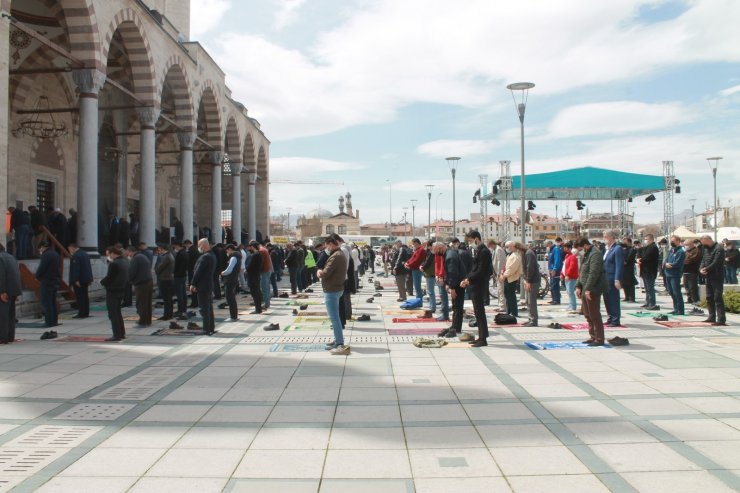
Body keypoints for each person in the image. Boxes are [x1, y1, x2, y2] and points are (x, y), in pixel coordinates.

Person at [318, 235, 350, 355]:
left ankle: (339, 342)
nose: (327, 248)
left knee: (334, 318)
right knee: (335, 317)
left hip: (332, 289)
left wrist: (319, 272)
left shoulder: (335, 256)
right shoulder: (340, 254)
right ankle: (337, 340)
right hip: (336, 288)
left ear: (331, 244)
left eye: (327, 246)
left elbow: (325, 273)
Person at [460, 231, 492, 346]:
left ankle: (483, 339)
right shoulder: (479, 250)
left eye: (470, 241)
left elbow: (481, 270)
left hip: (479, 285)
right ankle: (481, 336)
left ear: (476, 239)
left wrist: (469, 280)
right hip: (475, 284)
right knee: (478, 312)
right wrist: (467, 278)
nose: (469, 243)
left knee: (480, 312)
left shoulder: (484, 251)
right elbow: (474, 269)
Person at [575, 238, 608, 346]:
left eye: (580, 249)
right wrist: (578, 285)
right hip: (585, 288)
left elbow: (593, 273)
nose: (579, 251)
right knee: (587, 314)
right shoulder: (587, 254)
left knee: (594, 314)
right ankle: (592, 336)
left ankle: (599, 339)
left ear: (585, 245)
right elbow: (582, 271)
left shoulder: (595, 254)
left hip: (593, 289)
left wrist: (588, 289)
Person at [436, 241, 466, 338]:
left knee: (457, 307)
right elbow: (448, 273)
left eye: (436, 251)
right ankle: (455, 326)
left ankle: (456, 328)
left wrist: (452, 287)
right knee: (456, 306)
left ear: (441, 247)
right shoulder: (449, 254)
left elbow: (452, 273)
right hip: (457, 283)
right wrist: (447, 284)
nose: (436, 253)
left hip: (457, 285)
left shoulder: (450, 256)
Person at [100, 245, 127, 341]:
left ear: (112, 253)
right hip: (121, 289)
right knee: (118, 312)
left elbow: (110, 277)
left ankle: (116, 335)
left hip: (113, 291)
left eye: (109, 254)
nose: (109, 257)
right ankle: (121, 333)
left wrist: (101, 282)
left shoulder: (114, 264)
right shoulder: (124, 261)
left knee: (113, 314)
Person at [190, 239, 217, 334]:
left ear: (204, 245)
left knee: (204, 308)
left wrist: (193, 283)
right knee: (209, 307)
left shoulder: (205, 257)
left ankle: (206, 329)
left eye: (199, 245)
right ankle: (211, 327)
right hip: (208, 285)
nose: (198, 248)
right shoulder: (212, 255)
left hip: (203, 286)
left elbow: (198, 271)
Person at [699, 235, 726, 326]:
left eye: (704, 243)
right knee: (709, 297)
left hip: (717, 276)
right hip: (708, 276)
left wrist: (706, 269)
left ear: (708, 240)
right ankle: (711, 316)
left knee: (717, 297)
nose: (703, 245)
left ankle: (721, 319)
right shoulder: (706, 248)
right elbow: (703, 259)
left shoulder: (719, 248)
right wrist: (701, 268)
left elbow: (716, 262)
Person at [126, 245, 153, 327]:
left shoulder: (136, 258)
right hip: (148, 281)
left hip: (141, 283)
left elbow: (132, 272)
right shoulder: (142, 256)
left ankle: (143, 321)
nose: (128, 255)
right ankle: (147, 320)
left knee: (141, 303)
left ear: (130, 251)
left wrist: (129, 281)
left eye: (128, 253)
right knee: (147, 302)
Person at [0, 243, 22, 344]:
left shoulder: (0, 258)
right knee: (11, 314)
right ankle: (10, 336)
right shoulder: (11, 257)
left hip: (5, 291)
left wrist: (2, 291)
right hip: (13, 289)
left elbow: (1, 276)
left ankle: (2, 337)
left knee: (2, 315)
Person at [35, 243, 60, 327]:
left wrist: (37, 276)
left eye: (40, 250)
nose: (40, 252)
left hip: (47, 281)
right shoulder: (55, 254)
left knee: (46, 303)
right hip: (54, 280)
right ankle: (54, 321)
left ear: (42, 247)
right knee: (52, 302)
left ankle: (49, 321)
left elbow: (42, 267)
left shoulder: (46, 255)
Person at [602, 230, 624, 327]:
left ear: (611, 237)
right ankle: (610, 317)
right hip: (605, 279)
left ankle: (616, 319)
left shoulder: (617, 248)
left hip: (612, 278)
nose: (604, 238)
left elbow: (619, 265)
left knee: (613, 299)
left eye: (605, 236)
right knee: (607, 299)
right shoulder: (607, 249)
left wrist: (617, 279)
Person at [68, 243, 93, 319]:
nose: (69, 251)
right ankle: (85, 312)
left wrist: (75, 280)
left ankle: (81, 313)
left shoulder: (76, 255)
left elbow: (76, 269)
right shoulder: (85, 253)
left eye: (69, 249)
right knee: (85, 296)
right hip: (86, 279)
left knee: (80, 297)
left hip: (80, 280)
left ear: (72, 247)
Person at [664, 235, 685, 315]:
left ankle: (680, 309)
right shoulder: (671, 250)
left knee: (676, 292)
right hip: (668, 273)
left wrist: (671, 265)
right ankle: (675, 308)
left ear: (678, 241)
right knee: (671, 292)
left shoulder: (681, 251)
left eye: (673, 241)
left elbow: (678, 262)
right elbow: (666, 259)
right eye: (671, 241)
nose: (671, 242)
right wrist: (665, 263)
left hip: (675, 274)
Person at [638, 234, 660, 310]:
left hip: (650, 271)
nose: (645, 240)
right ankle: (647, 302)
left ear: (651, 239)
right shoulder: (646, 247)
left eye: (646, 239)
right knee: (647, 288)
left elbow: (647, 257)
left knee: (650, 288)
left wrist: (640, 260)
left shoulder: (653, 248)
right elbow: (640, 253)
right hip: (644, 270)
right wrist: (638, 259)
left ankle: (652, 303)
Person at [522, 242, 541, 327]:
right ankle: (530, 319)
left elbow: (530, 268)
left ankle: (533, 320)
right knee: (528, 301)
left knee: (531, 301)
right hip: (530, 281)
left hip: (533, 281)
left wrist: (528, 281)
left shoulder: (528, 254)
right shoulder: (527, 253)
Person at [501, 241, 522, 317]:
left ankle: (513, 312)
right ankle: (509, 311)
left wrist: (504, 275)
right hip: (508, 277)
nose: (508, 248)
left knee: (511, 296)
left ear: (514, 247)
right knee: (507, 295)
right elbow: (506, 266)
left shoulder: (516, 256)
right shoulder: (510, 255)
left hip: (512, 278)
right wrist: (502, 274)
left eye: (509, 246)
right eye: (506, 247)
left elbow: (512, 269)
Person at [221, 244, 241, 322]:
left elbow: (229, 270)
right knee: (232, 298)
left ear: (230, 249)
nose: (227, 252)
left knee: (230, 298)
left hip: (230, 279)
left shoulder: (233, 257)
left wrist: (223, 272)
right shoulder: (238, 257)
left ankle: (233, 316)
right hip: (234, 279)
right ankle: (234, 316)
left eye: (227, 250)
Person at [155, 244, 175, 321]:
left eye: (159, 249)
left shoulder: (166, 257)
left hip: (165, 279)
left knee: (166, 298)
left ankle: (167, 315)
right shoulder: (170, 255)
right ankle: (169, 314)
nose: (159, 251)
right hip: (169, 278)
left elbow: (160, 267)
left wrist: (156, 271)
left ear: (163, 249)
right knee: (168, 298)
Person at [433, 241, 450, 322]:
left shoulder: (443, 253)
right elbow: (436, 264)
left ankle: (445, 315)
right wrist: (436, 274)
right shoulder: (437, 253)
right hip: (439, 276)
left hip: (442, 277)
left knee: (443, 296)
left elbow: (443, 266)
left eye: (435, 250)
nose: (435, 252)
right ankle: (444, 314)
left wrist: (441, 276)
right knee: (441, 296)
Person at [561, 241, 579, 313]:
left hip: (571, 277)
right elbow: (564, 266)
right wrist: (562, 274)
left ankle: (573, 306)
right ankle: (570, 304)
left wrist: (568, 274)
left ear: (569, 248)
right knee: (568, 292)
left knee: (571, 292)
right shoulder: (567, 256)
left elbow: (572, 267)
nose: (564, 249)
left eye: (565, 248)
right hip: (567, 277)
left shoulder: (572, 257)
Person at [246, 241, 263, 314]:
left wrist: (246, 268)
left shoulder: (255, 255)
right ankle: (258, 309)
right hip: (256, 275)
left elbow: (250, 266)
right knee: (257, 292)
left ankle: (258, 309)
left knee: (254, 293)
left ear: (252, 247)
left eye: (250, 247)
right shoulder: (259, 254)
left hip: (252, 276)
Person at [172, 241, 188, 318]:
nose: (175, 248)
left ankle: (181, 309)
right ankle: (183, 309)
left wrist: (175, 273)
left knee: (180, 294)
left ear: (178, 246)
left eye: (175, 247)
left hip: (179, 276)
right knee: (183, 293)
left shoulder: (180, 253)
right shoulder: (184, 252)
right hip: (183, 275)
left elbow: (178, 265)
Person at [490, 239, 507, 313]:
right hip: (497, 272)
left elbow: (500, 262)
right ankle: (500, 305)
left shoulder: (498, 249)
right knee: (499, 290)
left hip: (500, 273)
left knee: (501, 290)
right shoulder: (495, 249)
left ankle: (502, 306)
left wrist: (500, 273)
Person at [682, 239, 701, 305]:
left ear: (691, 244)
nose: (685, 246)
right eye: (685, 245)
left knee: (692, 287)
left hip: (692, 271)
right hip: (685, 271)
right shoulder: (686, 251)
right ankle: (689, 298)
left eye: (687, 245)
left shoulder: (696, 251)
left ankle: (695, 300)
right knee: (686, 286)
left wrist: (682, 262)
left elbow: (690, 260)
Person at [421, 240, 437, 314]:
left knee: (430, 291)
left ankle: (432, 307)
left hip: (430, 273)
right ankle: (431, 306)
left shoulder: (432, 253)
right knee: (430, 291)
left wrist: (422, 267)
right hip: (430, 273)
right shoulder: (430, 252)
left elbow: (427, 262)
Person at [547, 237, 563, 305]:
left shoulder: (555, 249)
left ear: (550, 243)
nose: (547, 246)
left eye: (547, 245)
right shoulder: (551, 250)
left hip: (555, 270)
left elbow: (557, 260)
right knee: (552, 285)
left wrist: (554, 269)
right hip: (551, 270)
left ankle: (556, 300)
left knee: (555, 285)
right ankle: (554, 299)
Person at [622, 237, 637, 303]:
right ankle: (626, 296)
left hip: (629, 267)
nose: (623, 243)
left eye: (625, 242)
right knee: (625, 283)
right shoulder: (624, 249)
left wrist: (625, 261)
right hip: (624, 268)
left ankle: (632, 298)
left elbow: (629, 257)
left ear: (629, 242)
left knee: (630, 283)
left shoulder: (632, 249)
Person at [258, 242, 273, 310]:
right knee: (266, 287)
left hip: (265, 271)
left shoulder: (262, 251)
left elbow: (262, 262)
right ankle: (267, 302)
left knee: (264, 288)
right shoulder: (265, 250)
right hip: (268, 270)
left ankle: (266, 303)